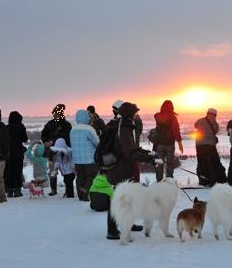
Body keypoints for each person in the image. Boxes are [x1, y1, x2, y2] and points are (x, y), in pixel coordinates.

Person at [104, 101, 162, 240]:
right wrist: (150, 160)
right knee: (119, 199)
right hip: (119, 169)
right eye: (135, 112)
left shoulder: (123, 126)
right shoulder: (123, 128)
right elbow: (130, 153)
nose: (136, 114)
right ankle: (112, 231)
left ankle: (128, 223)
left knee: (128, 198)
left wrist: (149, 154)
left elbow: (132, 149)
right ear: (130, 114)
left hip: (122, 167)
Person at [41, 104, 72, 196]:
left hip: (64, 152)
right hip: (52, 152)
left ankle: (68, 189)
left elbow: (68, 138)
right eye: (54, 114)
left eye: (58, 114)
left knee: (66, 172)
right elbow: (44, 134)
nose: (56, 116)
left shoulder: (66, 125)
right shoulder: (49, 124)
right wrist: (46, 142)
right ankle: (53, 190)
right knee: (52, 171)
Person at [70, 109, 99, 201]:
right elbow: (97, 143)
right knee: (91, 176)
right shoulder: (89, 129)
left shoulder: (73, 129)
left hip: (77, 159)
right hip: (89, 159)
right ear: (87, 118)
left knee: (80, 177)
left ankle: (80, 195)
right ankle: (86, 195)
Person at [194, 108, 227, 187]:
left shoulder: (200, 120)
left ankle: (204, 181)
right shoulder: (215, 124)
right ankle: (222, 180)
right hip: (210, 145)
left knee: (202, 163)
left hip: (199, 145)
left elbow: (195, 125)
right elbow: (215, 131)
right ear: (215, 115)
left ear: (207, 113)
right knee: (216, 162)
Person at [153, 100, 183, 181]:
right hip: (169, 144)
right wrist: (180, 143)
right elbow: (176, 130)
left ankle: (159, 181)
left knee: (159, 163)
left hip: (159, 144)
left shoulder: (158, 116)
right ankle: (169, 180)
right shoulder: (172, 117)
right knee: (170, 163)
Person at [5, 111, 28, 198]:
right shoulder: (21, 127)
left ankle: (9, 190)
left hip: (8, 153)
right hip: (18, 152)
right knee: (17, 171)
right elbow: (25, 139)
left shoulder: (6, 127)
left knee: (9, 171)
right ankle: (17, 190)